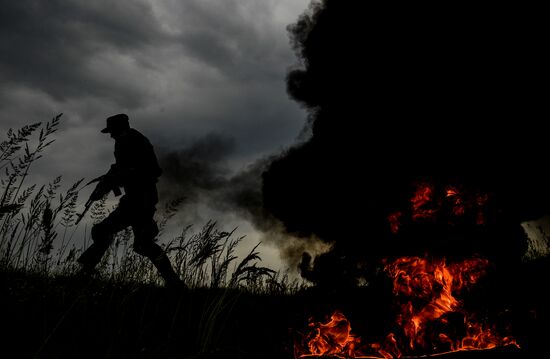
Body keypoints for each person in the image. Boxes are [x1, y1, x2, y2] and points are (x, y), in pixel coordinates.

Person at [77, 113, 185, 288]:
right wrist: (110, 179)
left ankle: (86, 270)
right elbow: (122, 168)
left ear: (120, 128)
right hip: (136, 198)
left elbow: (150, 170)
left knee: (112, 234)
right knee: (140, 243)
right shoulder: (124, 141)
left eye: (112, 131)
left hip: (140, 199)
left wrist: (117, 178)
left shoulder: (135, 141)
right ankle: (174, 282)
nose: (111, 135)